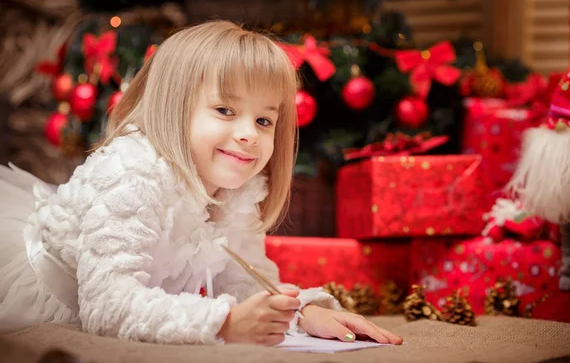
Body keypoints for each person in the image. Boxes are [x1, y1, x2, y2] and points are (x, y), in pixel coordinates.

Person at [0, 20, 403, 346]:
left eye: (264, 120)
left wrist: (303, 313)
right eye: (225, 110)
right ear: (174, 108)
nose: (250, 134)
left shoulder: (238, 190)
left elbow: (247, 283)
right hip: (50, 296)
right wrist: (224, 324)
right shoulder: (129, 174)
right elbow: (108, 306)